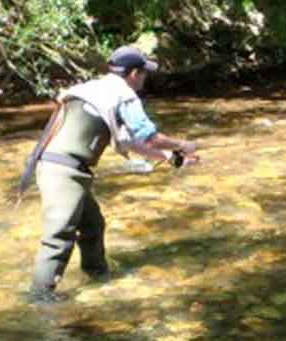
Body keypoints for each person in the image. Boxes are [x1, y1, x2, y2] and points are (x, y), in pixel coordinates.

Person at [22, 46, 200, 299]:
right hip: (65, 172)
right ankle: (39, 300)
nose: (144, 79)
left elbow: (130, 143)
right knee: (58, 237)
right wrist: (182, 145)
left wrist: (172, 159)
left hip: (53, 166)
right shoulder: (123, 95)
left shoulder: (92, 89)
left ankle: (98, 277)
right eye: (143, 74)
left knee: (93, 225)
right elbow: (149, 138)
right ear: (134, 73)